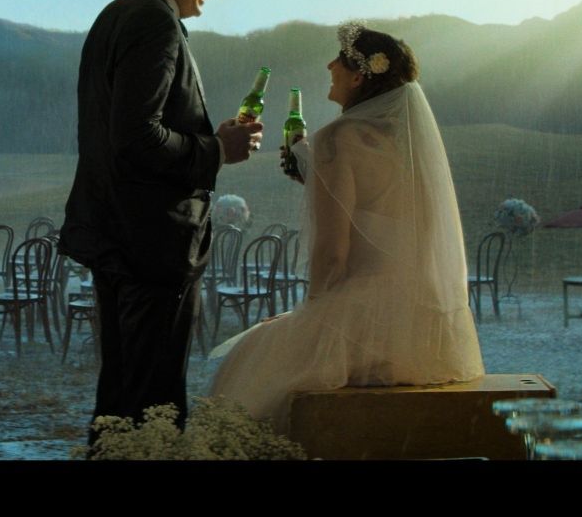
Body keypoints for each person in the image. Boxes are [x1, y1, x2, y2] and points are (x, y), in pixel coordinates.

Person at [208, 23, 485, 433]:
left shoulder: (338, 138)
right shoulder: (407, 148)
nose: (329, 65)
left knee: (246, 366)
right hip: (424, 331)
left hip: (366, 325)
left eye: (339, 58)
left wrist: (307, 316)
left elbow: (332, 255)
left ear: (358, 77)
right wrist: (314, 174)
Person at [59, 0, 263, 444]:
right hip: (153, 243)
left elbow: (119, 133)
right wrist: (218, 149)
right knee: (155, 405)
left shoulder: (114, 15)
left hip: (115, 235)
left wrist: (210, 140)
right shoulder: (156, 22)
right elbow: (136, 139)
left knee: (120, 399)